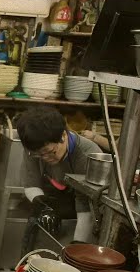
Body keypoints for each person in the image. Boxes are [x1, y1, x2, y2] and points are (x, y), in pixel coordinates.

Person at [16, 106, 102, 247]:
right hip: (47, 210)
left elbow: (86, 209)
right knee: (32, 258)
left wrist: (76, 247)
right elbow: (31, 184)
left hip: (79, 219)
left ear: (63, 135)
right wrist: (43, 206)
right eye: (39, 154)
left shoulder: (87, 155)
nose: (44, 158)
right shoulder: (33, 146)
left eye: (50, 152)